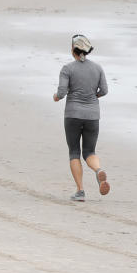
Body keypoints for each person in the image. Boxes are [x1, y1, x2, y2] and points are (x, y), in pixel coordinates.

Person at [52, 34, 109, 202]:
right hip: (92, 115)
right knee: (90, 151)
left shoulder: (67, 69)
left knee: (74, 152)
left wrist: (56, 97)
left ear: (73, 50)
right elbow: (104, 91)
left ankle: (80, 190)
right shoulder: (98, 68)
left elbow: (61, 92)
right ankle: (98, 170)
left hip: (73, 114)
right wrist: (93, 96)